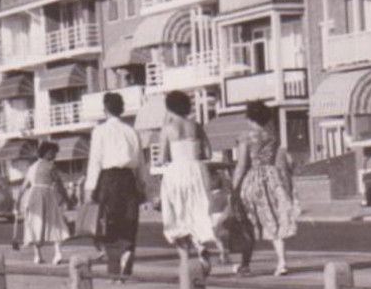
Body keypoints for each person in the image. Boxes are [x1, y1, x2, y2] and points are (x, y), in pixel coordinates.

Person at [232, 99, 299, 276]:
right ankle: (282, 262)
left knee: (248, 222)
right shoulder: (272, 136)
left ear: (249, 117)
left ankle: (245, 265)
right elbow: (278, 159)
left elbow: (242, 165)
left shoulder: (246, 137)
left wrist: (235, 187)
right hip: (271, 178)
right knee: (273, 219)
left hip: (253, 179)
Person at [84, 90, 146, 278]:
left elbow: (95, 160)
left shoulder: (100, 131)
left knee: (109, 222)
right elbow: (141, 161)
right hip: (129, 178)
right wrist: (142, 186)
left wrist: (89, 188)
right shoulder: (131, 131)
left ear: (105, 110)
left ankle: (114, 270)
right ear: (122, 110)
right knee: (129, 220)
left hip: (108, 179)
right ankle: (127, 251)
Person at [158, 89, 219, 268]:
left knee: (177, 213)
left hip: (176, 171)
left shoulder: (168, 129)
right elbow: (208, 152)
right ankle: (200, 245)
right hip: (197, 170)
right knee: (198, 210)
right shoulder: (196, 126)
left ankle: (185, 261)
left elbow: (163, 158)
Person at [17, 141, 71, 265]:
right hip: (46, 194)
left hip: (33, 196)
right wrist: (67, 199)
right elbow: (59, 184)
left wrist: (18, 201)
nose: (54, 155)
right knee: (55, 222)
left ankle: (38, 256)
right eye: (52, 153)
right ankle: (57, 253)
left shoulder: (32, 167)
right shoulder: (50, 166)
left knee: (35, 223)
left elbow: (24, 186)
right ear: (45, 153)